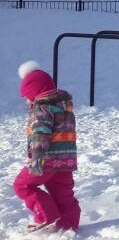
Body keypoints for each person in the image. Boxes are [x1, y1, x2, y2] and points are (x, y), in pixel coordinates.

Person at [14, 61, 80, 234]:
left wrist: (36, 158)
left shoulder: (42, 110)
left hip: (47, 160)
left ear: (34, 92)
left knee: (22, 185)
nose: (28, 101)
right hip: (66, 161)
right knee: (63, 193)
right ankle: (69, 223)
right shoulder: (65, 108)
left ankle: (46, 215)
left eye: (28, 97)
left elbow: (40, 135)